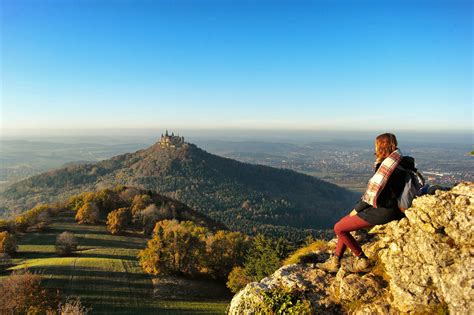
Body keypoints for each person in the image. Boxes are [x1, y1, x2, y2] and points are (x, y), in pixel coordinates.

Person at [317, 133, 417, 273]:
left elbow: (377, 194)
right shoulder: (399, 161)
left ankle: (362, 259)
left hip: (384, 210)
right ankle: (335, 261)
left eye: (376, 144)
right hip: (393, 208)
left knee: (339, 228)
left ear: (382, 146)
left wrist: (357, 209)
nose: (375, 147)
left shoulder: (387, 167)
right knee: (344, 224)